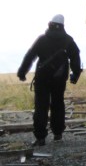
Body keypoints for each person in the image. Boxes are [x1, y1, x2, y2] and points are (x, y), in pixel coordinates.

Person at [17, 15, 82, 146]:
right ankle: (58, 134)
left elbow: (30, 56)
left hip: (42, 78)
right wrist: (75, 74)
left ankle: (40, 138)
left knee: (41, 106)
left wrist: (22, 72)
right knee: (58, 104)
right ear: (63, 26)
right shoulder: (69, 40)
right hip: (59, 78)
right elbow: (75, 58)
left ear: (50, 24)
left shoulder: (42, 39)